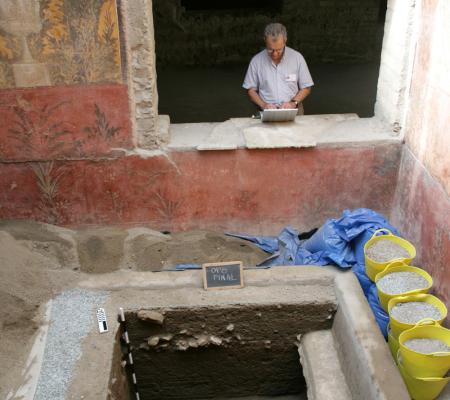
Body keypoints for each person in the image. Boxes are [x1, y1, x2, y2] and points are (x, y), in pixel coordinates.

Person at [243, 23, 314, 115]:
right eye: (270, 49)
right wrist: (264, 105)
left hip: (294, 111)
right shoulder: (256, 61)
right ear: (265, 40)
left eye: (279, 50)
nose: (275, 54)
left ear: (285, 41)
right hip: (266, 112)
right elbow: (250, 90)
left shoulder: (297, 58)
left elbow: (306, 87)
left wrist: (293, 103)